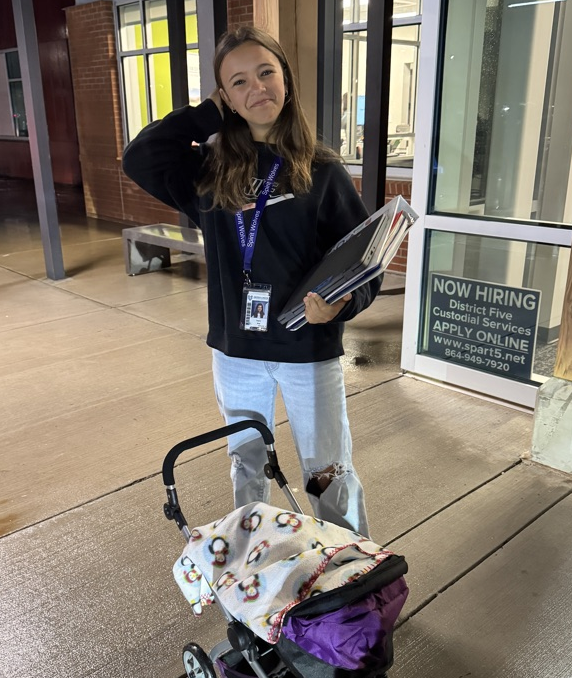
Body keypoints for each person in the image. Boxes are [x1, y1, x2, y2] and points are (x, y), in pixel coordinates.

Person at [122, 26, 382, 536]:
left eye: (266, 72)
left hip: (307, 348)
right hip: (236, 351)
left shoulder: (323, 172)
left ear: (285, 78)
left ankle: (350, 580)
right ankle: (255, 574)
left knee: (328, 473)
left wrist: (341, 306)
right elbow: (139, 156)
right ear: (225, 97)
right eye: (238, 82)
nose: (257, 88)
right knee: (247, 468)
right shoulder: (207, 172)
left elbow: (364, 264)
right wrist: (208, 115)